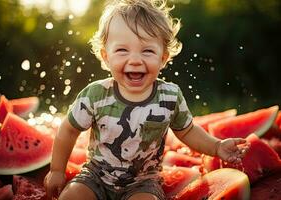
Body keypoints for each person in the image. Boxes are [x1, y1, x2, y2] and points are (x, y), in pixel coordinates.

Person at [44, 0, 249, 199]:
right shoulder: (96, 94)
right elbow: (68, 130)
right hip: (95, 176)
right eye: (122, 50)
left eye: (148, 51)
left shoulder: (170, 96)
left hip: (143, 182)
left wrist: (216, 147)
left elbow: (187, 130)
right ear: (106, 56)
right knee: (72, 196)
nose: (134, 60)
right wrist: (57, 171)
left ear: (163, 57)